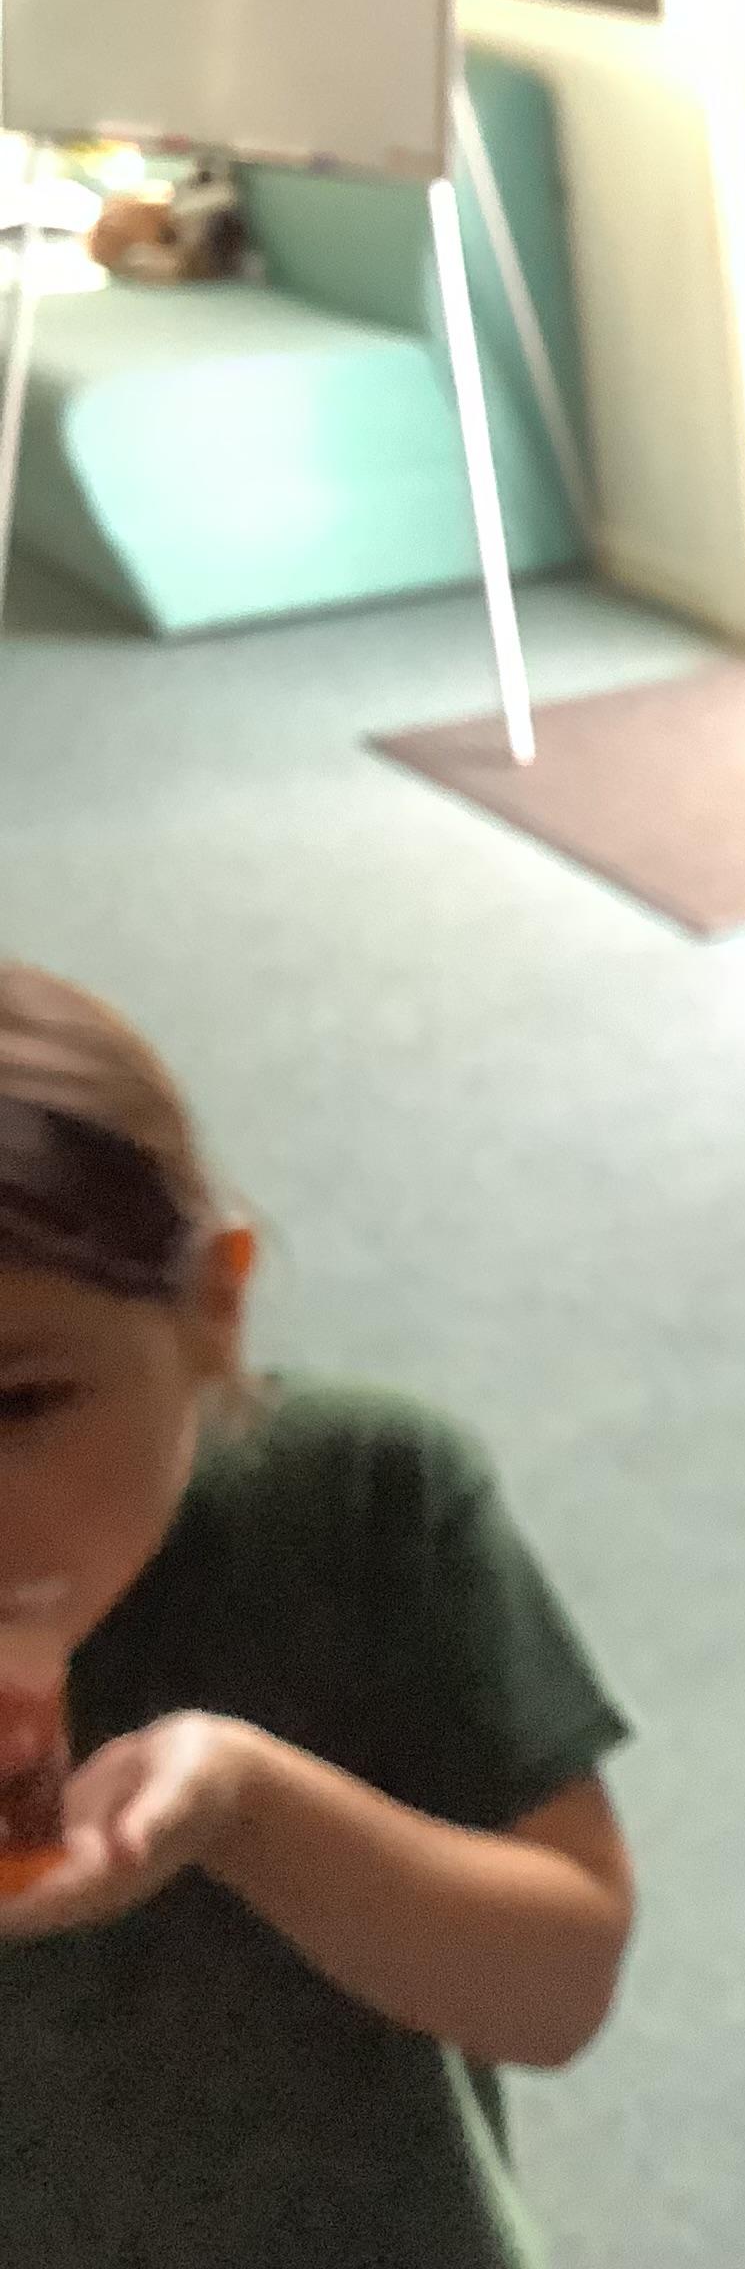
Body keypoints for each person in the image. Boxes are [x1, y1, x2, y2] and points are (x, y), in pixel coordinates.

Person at [0, 964, 635, 2268]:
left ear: (212, 1305)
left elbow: (559, 1990)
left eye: (17, 1405)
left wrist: (247, 1811)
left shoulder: (361, 1504)